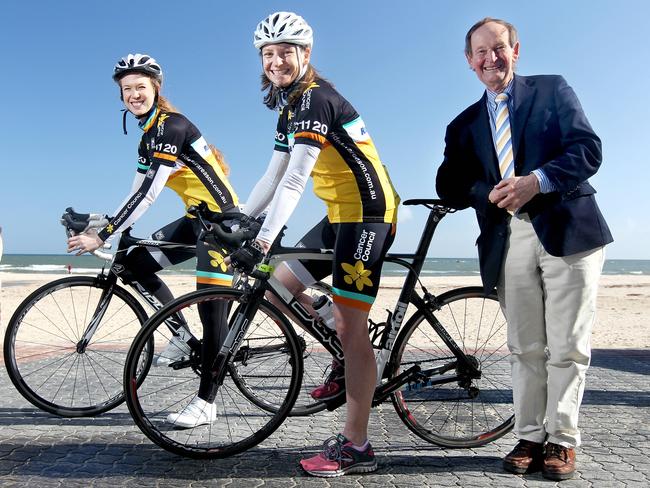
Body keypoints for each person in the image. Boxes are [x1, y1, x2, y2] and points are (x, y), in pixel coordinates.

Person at [435, 18, 613, 481]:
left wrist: (537, 181)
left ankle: (562, 440)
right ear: (469, 61)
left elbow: (587, 150)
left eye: (498, 49)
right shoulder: (463, 124)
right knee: (524, 347)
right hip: (506, 238)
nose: (490, 59)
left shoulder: (553, 90)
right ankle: (530, 436)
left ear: (516, 50)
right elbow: (449, 183)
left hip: (569, 231)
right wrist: (485, 191)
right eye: (480, 52)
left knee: (568, 346)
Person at [229, 11, 400, 477]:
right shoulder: (290, 106)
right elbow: (274, 173)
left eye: (286, 51)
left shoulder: (316, 99)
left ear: (306, 54)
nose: (276, 60)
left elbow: (296, 181)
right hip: (337, 216)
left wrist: (262, 239)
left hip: (367, 215)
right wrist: (240, 219)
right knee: (275, 288)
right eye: (268, 53)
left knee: (350, 326)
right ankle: (349, 356)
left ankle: (357, 444)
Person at [67, 53, 239, 428]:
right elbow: (135, 190)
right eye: (127, 89)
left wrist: (104, 235)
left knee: (212, 309)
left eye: (140, 87)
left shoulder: (170, 126)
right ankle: (180, 334)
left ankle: (207, 402)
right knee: (135, 263)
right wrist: (106, 222)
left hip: (221, 225)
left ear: (155, 89)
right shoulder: (148, 135)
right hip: (197, 221)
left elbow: (148, 196)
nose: (133, 94)